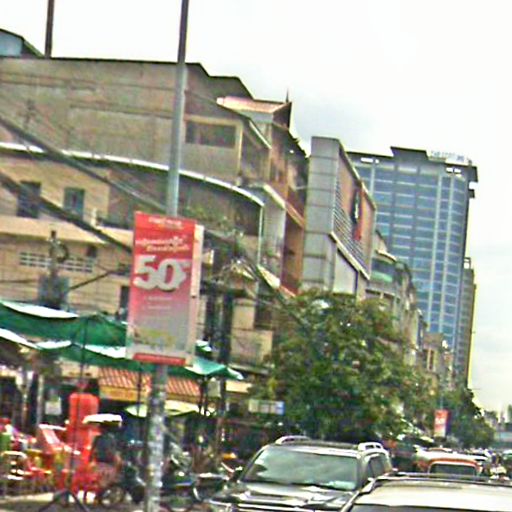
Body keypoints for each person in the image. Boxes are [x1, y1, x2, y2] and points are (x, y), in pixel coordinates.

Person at [90, 423, 122, 490]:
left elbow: (93, 449)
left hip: (103, 460)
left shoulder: (99, 438)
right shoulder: (109, 438)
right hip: (105, 461)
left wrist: (91, 459)